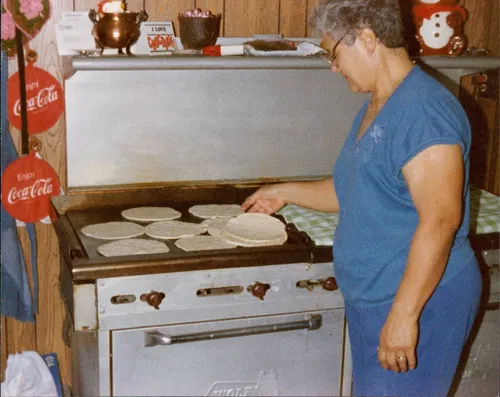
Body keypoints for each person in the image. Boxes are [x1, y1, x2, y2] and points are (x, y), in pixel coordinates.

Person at [241, 1, 482, 396]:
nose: (332, 67)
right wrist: (283, 192)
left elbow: (440, 222)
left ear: (368, 39)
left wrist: (404, 316)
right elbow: (354, 189)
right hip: (378, 297)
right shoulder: (380, 104)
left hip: (422, 300)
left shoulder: (424, 112)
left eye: (333, 53)